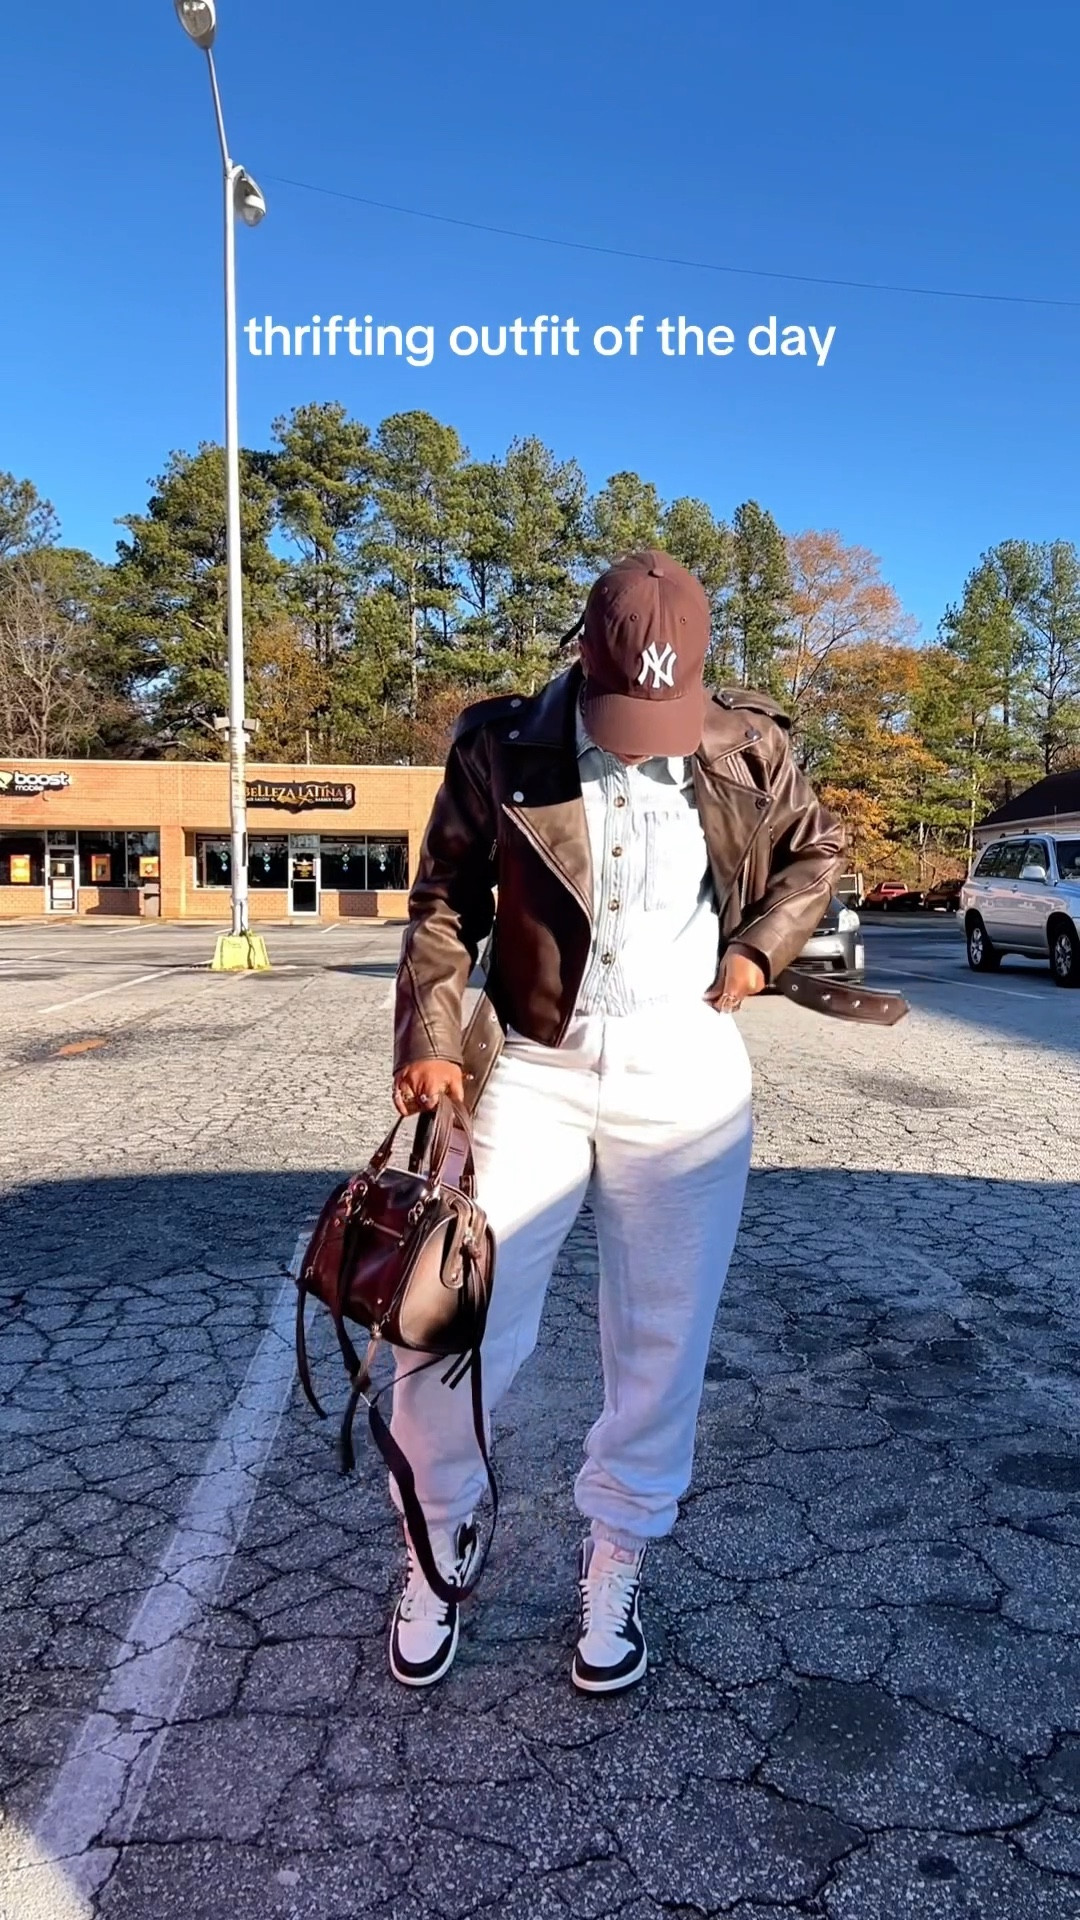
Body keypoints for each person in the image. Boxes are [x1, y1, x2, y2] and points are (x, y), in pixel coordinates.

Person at [389, 550, 845, 1693]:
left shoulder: (748, 745)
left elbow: (815, 853)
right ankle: (437, 1532)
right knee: (453, 1319)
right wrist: (431, 1038)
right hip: (532, 1066)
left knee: (660, 1338)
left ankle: (617, 1555)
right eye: (624, 710)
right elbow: (446, 899)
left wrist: (757, 950)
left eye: (667, 709)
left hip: (683, 1074)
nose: (647, 733)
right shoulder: (503, 743)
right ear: (583, 658)